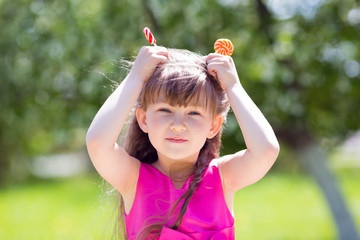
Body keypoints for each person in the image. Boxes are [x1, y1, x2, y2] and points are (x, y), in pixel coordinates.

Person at [86, 46, 280, 240]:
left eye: (193, 113)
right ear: (144, 120)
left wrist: (233, 87)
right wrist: (136, 76)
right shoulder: (133, 180)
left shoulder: (222, 177)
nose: (178, 125)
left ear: (213, 126)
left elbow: (266, 151)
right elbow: (98, 143)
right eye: (165, 110)